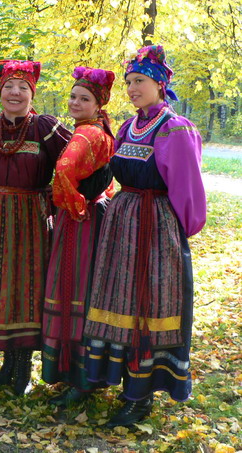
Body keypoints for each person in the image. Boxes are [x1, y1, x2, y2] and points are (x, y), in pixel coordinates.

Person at [83, 45, 207, 427]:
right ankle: (115, 380)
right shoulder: (127, 127)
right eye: (129, 82)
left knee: (148, 305)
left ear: (159, 84)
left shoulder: (175, 128)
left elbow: (188, 188)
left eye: (140, 81)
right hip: (122, 224)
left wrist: (176, 236)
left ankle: (140, 396)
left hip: (155, 228)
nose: (132, 88)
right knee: (118, 300)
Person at [0, 59, 72, 395]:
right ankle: (7, 364)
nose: (14, 93)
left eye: (22, 87)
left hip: (31, 219)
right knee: (0, 287)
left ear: (32, 93)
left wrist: (64, 200)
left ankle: (24, 369)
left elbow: (79, 159)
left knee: (28, 288)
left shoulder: (46, 127)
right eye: (8, 87)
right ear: (0, 91)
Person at [41, 66, 116, 407]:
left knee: (73, 289)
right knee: (90, 291)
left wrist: (71, 203)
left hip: (79, 222)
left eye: (84, 99)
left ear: (98, 105)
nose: (75, 102)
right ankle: (89, 374)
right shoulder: (102, 130)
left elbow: (64, 169)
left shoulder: (86, 134)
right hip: (95, 216)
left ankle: (79, 377)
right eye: (72, 96)